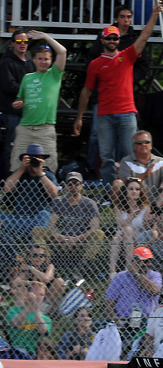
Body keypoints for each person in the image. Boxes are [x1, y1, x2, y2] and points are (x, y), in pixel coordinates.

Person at [73, 2, 163, 184]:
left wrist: (154, 14)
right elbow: (87, 90)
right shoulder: (95, 64)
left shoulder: (127, 56)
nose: (112, 41)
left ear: (118, 40)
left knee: (131, 153)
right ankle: (109, 190)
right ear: (102, 40)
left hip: (126, 112)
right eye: (109, 38)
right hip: (104, 114)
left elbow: (144, 36)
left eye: (115, 38)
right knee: (106, 156)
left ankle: (131, 189)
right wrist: (79, 117)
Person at [85, 4, 150, 172]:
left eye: (129, 17)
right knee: (100, 144)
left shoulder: (132, 41)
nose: (112, 41)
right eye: (122, 16)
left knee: (129, 149)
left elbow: (143, 63)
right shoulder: (100, 49)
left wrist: (126, 78)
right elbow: (90, 71)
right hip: (104, 104)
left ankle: (131, 186)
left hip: (125, 104)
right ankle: (94, 172)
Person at [10, 31, 66, 172]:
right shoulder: (27, 78)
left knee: (49, 167)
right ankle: (14, 194)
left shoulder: (54, 74)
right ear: (34, 60)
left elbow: (62, 51)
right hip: (25, 128)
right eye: (40, 59)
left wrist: (45, 37)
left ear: (51, 60)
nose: (43, 62)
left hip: (45, 129)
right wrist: (19, 103)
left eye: (46, 59)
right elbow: (21, 99)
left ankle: (49, 193)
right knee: (17, 165)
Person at [32, 171, 104, 277]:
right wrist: (62, 238)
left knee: (99, 233)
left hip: (81, 243)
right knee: (38, 230)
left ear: (82, 186)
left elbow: (95, 227)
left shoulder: (90, 204)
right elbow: (51, 225)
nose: (73, 186)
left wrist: (76, 239)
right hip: (61, 242)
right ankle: (45, 264)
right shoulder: (59, 201)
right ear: (65, 186)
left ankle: (80, 270)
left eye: (76, 183)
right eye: (70, 183)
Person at [0, 143, 58, 242]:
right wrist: (22, 169)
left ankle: (34, 251)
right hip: (18, 219)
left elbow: (54, 194)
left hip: (38, 220)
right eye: (31, 158)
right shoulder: (20, 174)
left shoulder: (48, 175)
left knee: (45, 215)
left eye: (38, 158)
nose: (34, 161)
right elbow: (7, 189)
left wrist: (40, 173)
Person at [0, 28, 34, 177]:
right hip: (13, 112)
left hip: (29, 112)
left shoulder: (30, 59)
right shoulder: (6, 62)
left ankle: (25, 177)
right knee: (12, 146)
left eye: (25, 41)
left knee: (29, 147)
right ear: (13, 43)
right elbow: (8, 85)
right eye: (19, 41)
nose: (22, 44)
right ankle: (8, 179)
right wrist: (31, 91)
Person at [105, 246, 163, 330]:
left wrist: (137, 274)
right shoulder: (121, 276)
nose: (148, 264)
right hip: (123, 319)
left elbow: (154, 290)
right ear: (134, 262)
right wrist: (115, 319)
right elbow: (109, 301)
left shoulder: (155, 275)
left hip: (147, 320)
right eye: (145, 261)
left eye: (150, 261)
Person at [109, 177, 152, 277]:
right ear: (126, 191)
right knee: (118, 237)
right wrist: (133, 215)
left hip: (139, 235)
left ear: (141, 192)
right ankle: (112, 272)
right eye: (131, 189)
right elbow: (120, 225)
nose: (134, 191)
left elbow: (146, 226)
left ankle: (128, 267)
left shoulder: (145, 207)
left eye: (137, 189)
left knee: (125, 232)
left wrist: (149, 220)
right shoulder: (118, 207)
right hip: (122, 234)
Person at [115, 130, 163, 204]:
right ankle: (119, 213)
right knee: (117, 183)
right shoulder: (126, 161)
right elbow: (125, 185)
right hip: (133, 203)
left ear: (151, 146)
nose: (143, 145)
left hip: (157, 203)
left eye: (146, 142)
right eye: (139, 143)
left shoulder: (161, 162)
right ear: (134, 147)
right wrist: (145, 174)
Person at [9, 244, 65, 310]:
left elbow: (46, 279)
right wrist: (32, 282)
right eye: (35, 255)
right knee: (20, 289)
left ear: (45, 257)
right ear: (29, 257)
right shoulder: (26, 268)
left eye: (41, 256)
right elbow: (15, 283)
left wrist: (32, 269)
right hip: (31, 296)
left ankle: (51, 311)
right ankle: (21, 313)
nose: (38, 258)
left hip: (47, 296)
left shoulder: (49, 266)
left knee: (60, 281)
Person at [6, 280, 51, 357]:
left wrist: (36, 309)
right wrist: (28, 307)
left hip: (32, 353)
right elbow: (15, 323)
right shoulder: (14, 310)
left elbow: (42, 331)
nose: (37, 297)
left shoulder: (46, 319)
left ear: (44, 297)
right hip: (15, 350)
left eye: (41, 294)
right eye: (34, 294)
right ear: (27, 295)